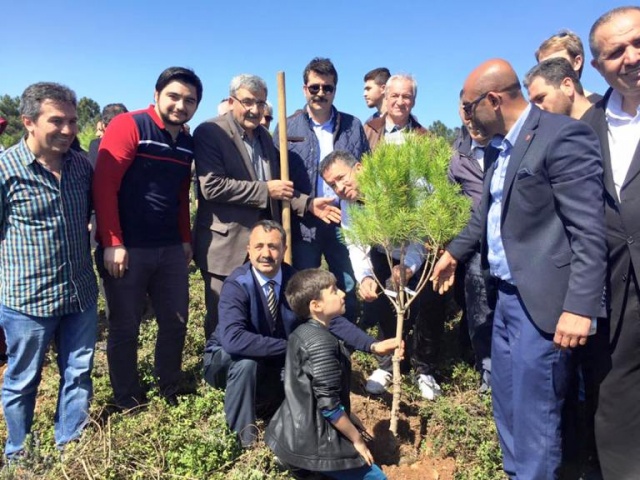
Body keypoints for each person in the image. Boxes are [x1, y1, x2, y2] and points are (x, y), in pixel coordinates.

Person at [430, 59, 606, 478]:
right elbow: (486, 215)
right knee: (507, 401)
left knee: (536, 413)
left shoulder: (562, 136)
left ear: (493, 100)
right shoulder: (502, 148)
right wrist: (453, 253)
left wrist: (581, 306)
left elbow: (588, 229)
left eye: (470, 107)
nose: (467, 117)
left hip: (543, 302)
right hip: (505, 298)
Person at [203, 220, 397, 447]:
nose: (266, 253)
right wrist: (293, 348)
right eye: (259, 246)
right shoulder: (237, 285)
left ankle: (326, 427)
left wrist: (372, 345)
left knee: (330, 354)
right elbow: (233, 340)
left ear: (284, 250)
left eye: (273, 247)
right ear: (248, 250)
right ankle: (243, 441)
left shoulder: (293, 281)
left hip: (270, 362)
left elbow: (328, 317)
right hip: (224, 362)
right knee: (247, 364)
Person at [193, 74, 340, 340]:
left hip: (263, 244)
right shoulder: (210, 132)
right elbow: (212, 186)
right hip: (226, 246)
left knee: (261, 312)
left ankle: (256, 366)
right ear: (231, 101)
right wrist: (265, 190)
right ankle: (218, 371)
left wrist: (308, 203)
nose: (255, 109)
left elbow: (278, 188)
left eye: (260, 103)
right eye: (247, 102)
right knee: (222, 314)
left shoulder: (265, 138)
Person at [93, 67, 202, 410]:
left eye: (190, 100)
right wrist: (112, 241)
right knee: (125, 326)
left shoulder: (185, 142)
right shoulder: (129, 125)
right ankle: (127, 397)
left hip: (169, 247)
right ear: (156, 95)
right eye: (173, 96)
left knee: (175, 319)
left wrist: (185, 239)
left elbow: (181, 192)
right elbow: (105, 185)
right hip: (128, 248)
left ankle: (168, 385)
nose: (180, 105)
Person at [0, 82, 98, 458]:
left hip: (79, 293)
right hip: (27, 301)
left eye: (72, 121)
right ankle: (18, 451)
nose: (68, 130)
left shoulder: (80, 168)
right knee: (22, 381)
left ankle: (69, 445)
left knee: (78, 374)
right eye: (56, 121)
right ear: (28, 122)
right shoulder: (7, 171)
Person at [320, 150, 443, 400]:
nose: (340, 188)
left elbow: (422, 231)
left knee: (428, 308)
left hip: (422, 250)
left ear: (360, 168)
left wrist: (408, 266)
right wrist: (365, 276)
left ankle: (425, 369)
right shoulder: (348, 204)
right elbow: (355, 243)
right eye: (333, 185)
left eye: (342, 178)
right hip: (383, 251)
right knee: (384, 306)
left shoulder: (400, 185)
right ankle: (386, 365)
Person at [582, 7, 640, 479]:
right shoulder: (588, 129)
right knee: (616, 400)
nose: (631, 57)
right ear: (598, 66)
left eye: (637, 42)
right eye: (615, 52)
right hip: (616, 292)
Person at [266, 268, 390, 480]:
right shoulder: (322, 344)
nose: (342, 294)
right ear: (316, 306)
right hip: (316, 445)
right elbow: (330, 407)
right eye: (334, 291)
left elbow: (310, 390)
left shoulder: (301, 333)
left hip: (289, 436)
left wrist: (350, 416)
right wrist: (357, 442)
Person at [274, 57, 369, 322]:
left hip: (345, 221)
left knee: (347, 284)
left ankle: (345, 342)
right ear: (304, 89)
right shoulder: (287, 126)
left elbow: (368, 171)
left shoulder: (353, 126)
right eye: (314, 87)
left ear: (335, 90)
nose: (320, 94)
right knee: (305, 288)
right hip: (305, 223)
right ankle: (310, 343)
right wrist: (307, 203)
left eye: (327, 88)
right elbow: (277, 179)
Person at [447, 107, 493, 394]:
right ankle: (487, 368)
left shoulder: (508, 144)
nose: (470, 117)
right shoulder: (456, 155)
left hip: (511, 241)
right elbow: (449, 200)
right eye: (463, 109)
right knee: (478, 307)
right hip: (474, 244)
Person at [364, 74, 428, 150]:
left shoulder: (426, 137)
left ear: (413, 101)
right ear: (386, 98)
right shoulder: (368, 131)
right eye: (395, 96)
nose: (400, 102)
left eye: (406, 96)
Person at [535, 29, 602, 102]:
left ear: (577, 62)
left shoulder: (604, 108)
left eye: (557, 63)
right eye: (544, 67)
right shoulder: (542, 111)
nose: (550, 72)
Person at [524, 57, 593, 119]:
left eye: (540, 98)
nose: (536, 109)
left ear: (567, 86)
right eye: (533, 104)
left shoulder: (602, 121)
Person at [87, 103, 128, 169]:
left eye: (100, 130)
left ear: (104, 126)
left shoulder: (97, 145)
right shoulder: (136, 147)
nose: (97, 134)